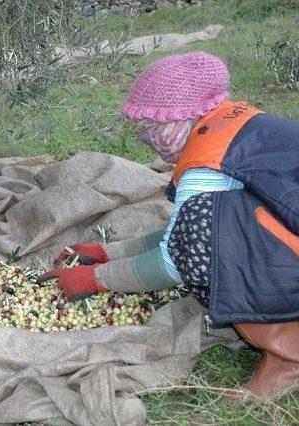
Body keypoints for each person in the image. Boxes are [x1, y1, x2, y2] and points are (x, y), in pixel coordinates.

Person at [40, 51, 299, 401]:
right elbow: (203, 234)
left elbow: (174, 261)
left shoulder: (205, 171)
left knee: (202, 232)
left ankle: (287, 355)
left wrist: (93, 279)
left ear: (185, 117)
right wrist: (107, 252)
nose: (147, 138)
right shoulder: (235, 125)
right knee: (204, 225)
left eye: (153, 128)